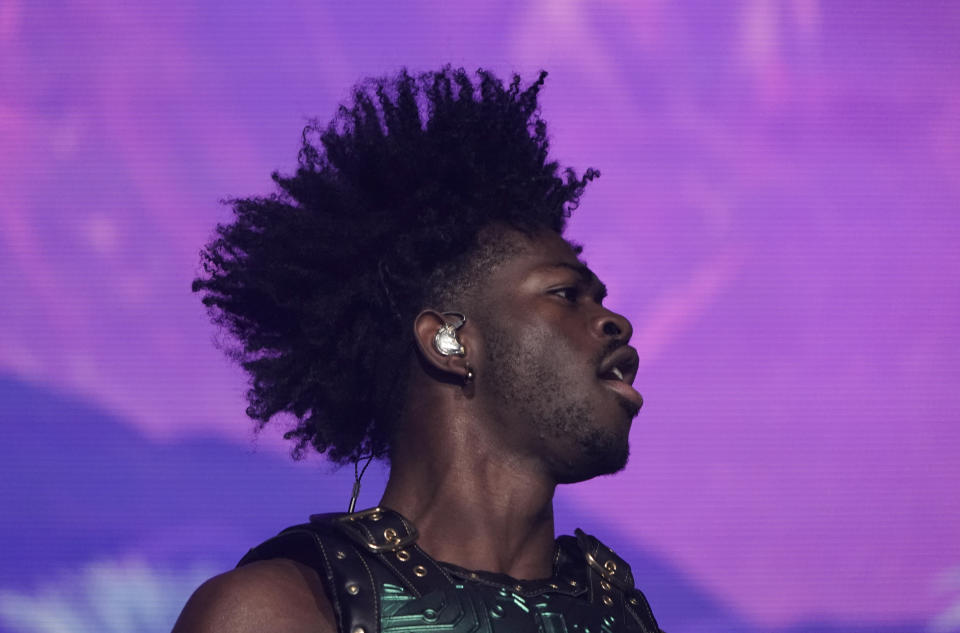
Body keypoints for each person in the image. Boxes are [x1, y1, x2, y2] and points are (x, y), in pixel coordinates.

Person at [174, 66, 663, 633]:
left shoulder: (624, 614)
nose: (615, 323)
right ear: (449, 342)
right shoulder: (280, 613)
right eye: (566, 294)